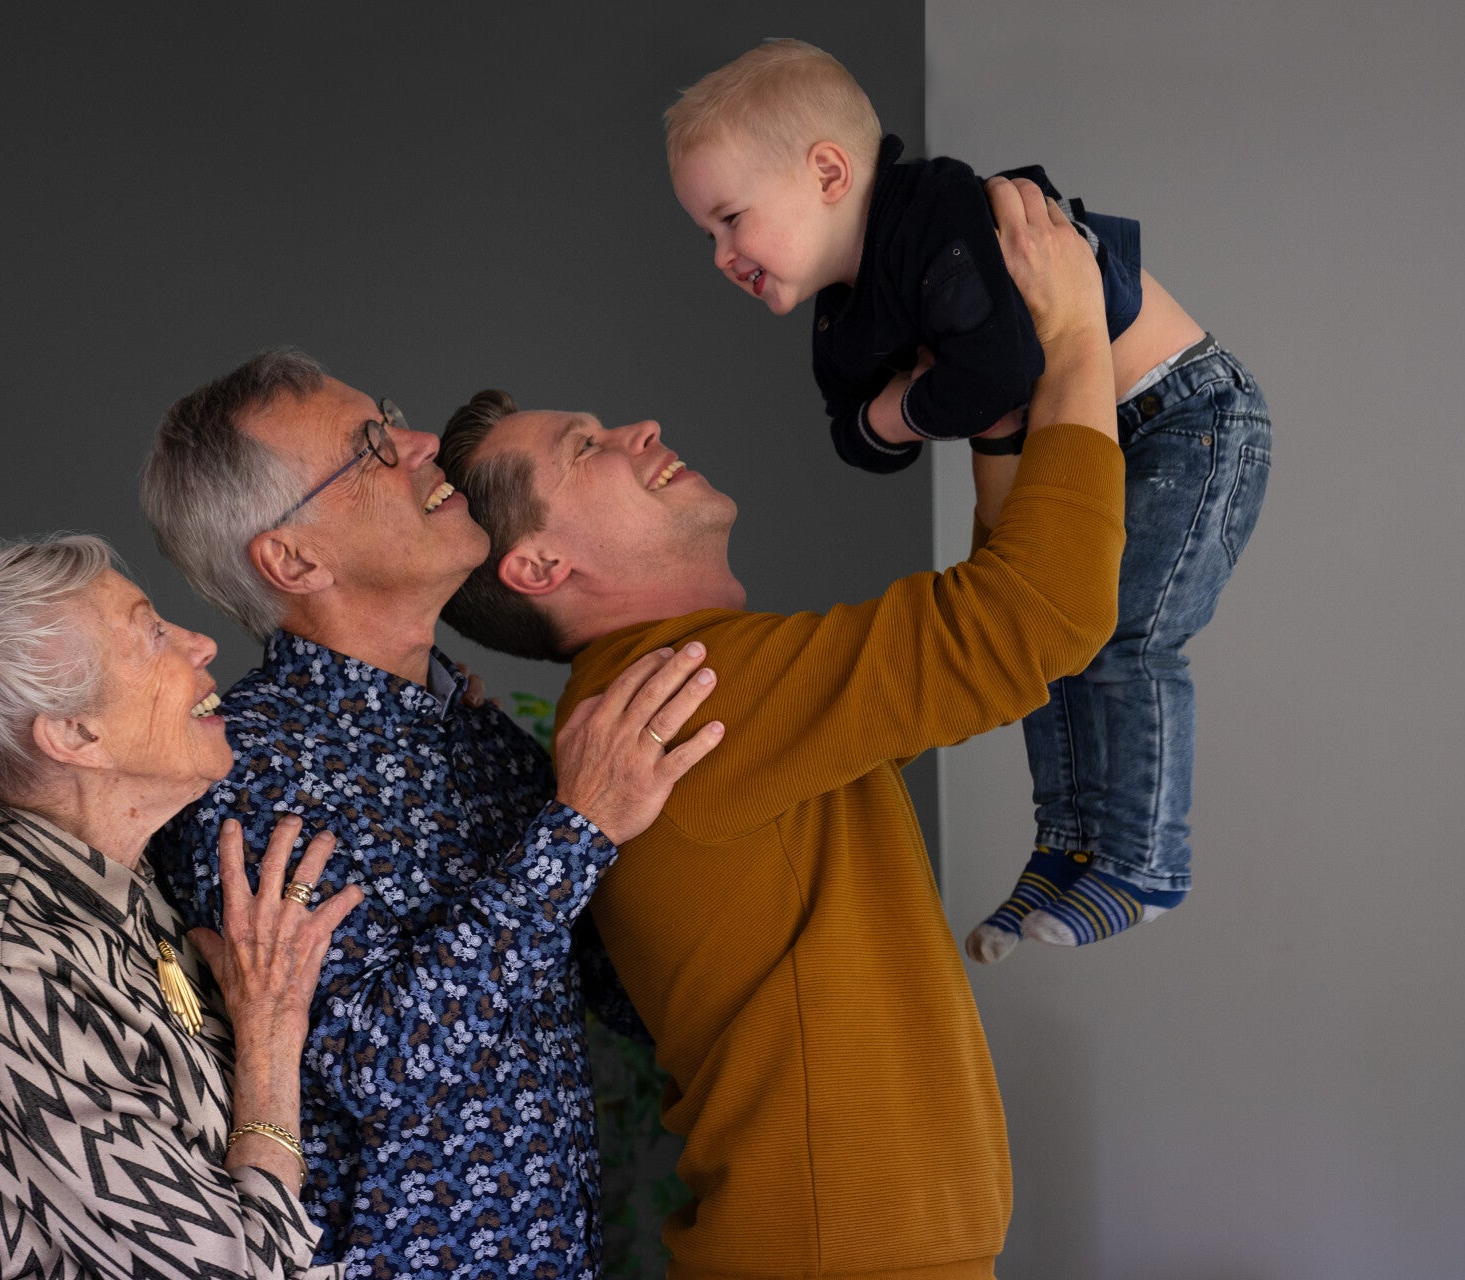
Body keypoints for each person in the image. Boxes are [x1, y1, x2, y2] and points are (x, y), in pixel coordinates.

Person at [435, 178, 1121, 1278]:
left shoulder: (684, 688)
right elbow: (1046, 613)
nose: (638, 430)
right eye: (585, 447)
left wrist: (997, 411)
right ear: (540, 565)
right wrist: (1076, 334)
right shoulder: (692, 694)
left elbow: (994, 621)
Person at [665, 38, 1272, 959]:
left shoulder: (938, 214)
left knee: (1126, 633)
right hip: (1090, 438)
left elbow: (997, 372)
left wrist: (904, 404)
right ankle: (1067, 848)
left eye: (730, 220)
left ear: (827, 172)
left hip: (1182, 414)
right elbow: (857, 440)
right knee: (1050, 646)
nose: (721, 255)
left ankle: (1145, 858)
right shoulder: (843, 315)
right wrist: (911, 406)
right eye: (707, 235)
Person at [139, 357, 723, 1274]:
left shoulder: (484, 742)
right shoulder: (240, 774)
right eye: (370, 447)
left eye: (393, 418)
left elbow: (617, 988)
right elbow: (381, 1066)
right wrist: (580, 830)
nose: (419, 443)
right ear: (295, 560)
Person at [0, 534, 362, 1278]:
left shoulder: (100, 866)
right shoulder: (6, 967)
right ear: (74, 734)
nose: (201, 643)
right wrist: (270, 1036)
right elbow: (234, 1268)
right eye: (151, 634)